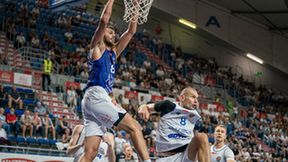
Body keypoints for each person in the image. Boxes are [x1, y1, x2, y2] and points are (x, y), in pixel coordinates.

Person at [80, 0, 151, 162]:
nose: (114, 35)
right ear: (103, 34)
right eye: (110, 32)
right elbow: (104, 20)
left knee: (90, 153)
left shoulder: (114, 53)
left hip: (92, 101)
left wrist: (136, 7)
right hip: (97, 95)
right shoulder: (97, 47)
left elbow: (131, 31)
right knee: (135, 127)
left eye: (114, 33)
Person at [138, 87, 211, 162]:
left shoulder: (195, 115)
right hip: (166, 157)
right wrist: (143, 107)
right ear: (182, 97)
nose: (196, 101)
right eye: (193, 97)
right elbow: (146, 107)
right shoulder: (168, 105)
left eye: (197, 98)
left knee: (202, 137)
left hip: (185, 155)